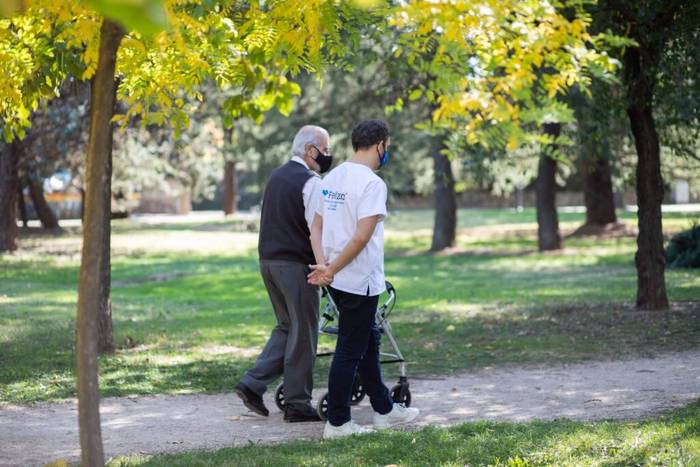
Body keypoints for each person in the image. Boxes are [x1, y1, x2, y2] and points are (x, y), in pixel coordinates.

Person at [308, 119, 419, 439]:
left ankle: (384, 410)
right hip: (358, 279)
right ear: (380, 145)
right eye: (388, 147)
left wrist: (324, 266)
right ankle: (339, 423)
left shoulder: (331, 176)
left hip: (338, 279)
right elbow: (360, 238)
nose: (388, 152)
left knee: (367, 340)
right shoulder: (371, 184)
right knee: (350, 349)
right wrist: (330, 268)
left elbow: (315, 226)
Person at [235, 125, 333, 423]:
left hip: (268, 261)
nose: (328, 156)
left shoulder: (276, 176)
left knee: (287, 326)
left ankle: (252, 384)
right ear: (310, 150)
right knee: (304, 331)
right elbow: (317, 229)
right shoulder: (311, 182)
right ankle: (297, 403)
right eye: (325, 150)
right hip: (296, 265)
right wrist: (325, 268)